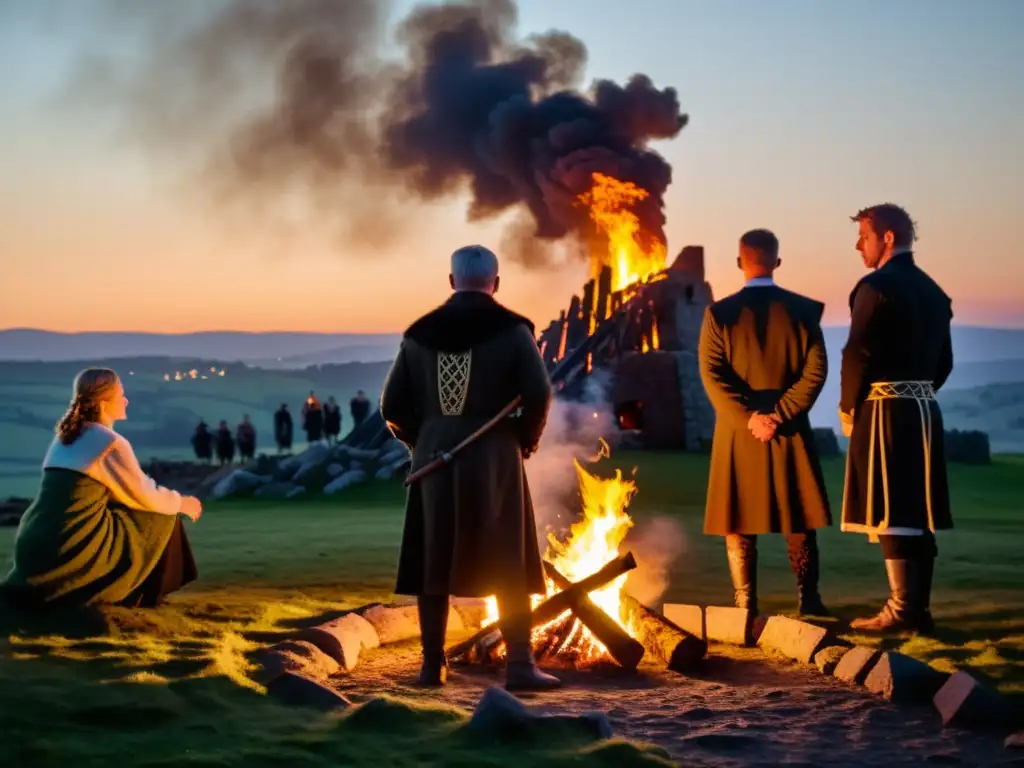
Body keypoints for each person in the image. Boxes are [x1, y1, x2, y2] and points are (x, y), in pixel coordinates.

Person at [380, 244, 557, 691]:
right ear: (495, 283)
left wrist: (422, 442)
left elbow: (392, 405)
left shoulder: (418, 335)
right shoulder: (515, 331)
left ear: (451, 281)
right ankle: (519, 666)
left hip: (434, 455)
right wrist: (524, 440)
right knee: (506, 555)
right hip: (494, 455)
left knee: (432, 555)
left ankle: (430, 667)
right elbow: (538, 394)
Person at [699, 229, 832, 616]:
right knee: (799, 515)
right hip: (788, 429)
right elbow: (816, 372)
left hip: (738, 431)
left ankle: (745, 604)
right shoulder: (804, 312)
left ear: (740, 262)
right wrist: (781, 413)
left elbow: (712, 376)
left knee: (737, 517)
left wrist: (750, 417)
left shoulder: (718, 314)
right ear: (777, 261)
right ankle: (810, 602)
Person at [840, 204, 953, 634]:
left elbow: (858, 353)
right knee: (917, 508)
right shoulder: (933, 291)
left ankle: (901, 612)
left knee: (893, 509)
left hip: (886, 407)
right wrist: (919, 393)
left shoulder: (876, 286)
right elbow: (944, 362)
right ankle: (918, 611)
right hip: (925, 409)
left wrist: (849, 406)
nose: (858, 245)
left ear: (887, 238)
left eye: (864, 236)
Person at [1, 368, 201, 608]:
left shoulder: (66, 437)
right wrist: (183, 503)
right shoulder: (109, 442)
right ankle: (143, 596)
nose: (126, 400)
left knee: (139, 515)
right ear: (104, 402)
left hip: (36, 540)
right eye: (121, 395)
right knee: (162, 517)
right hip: (70, 543)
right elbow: (146, 495)